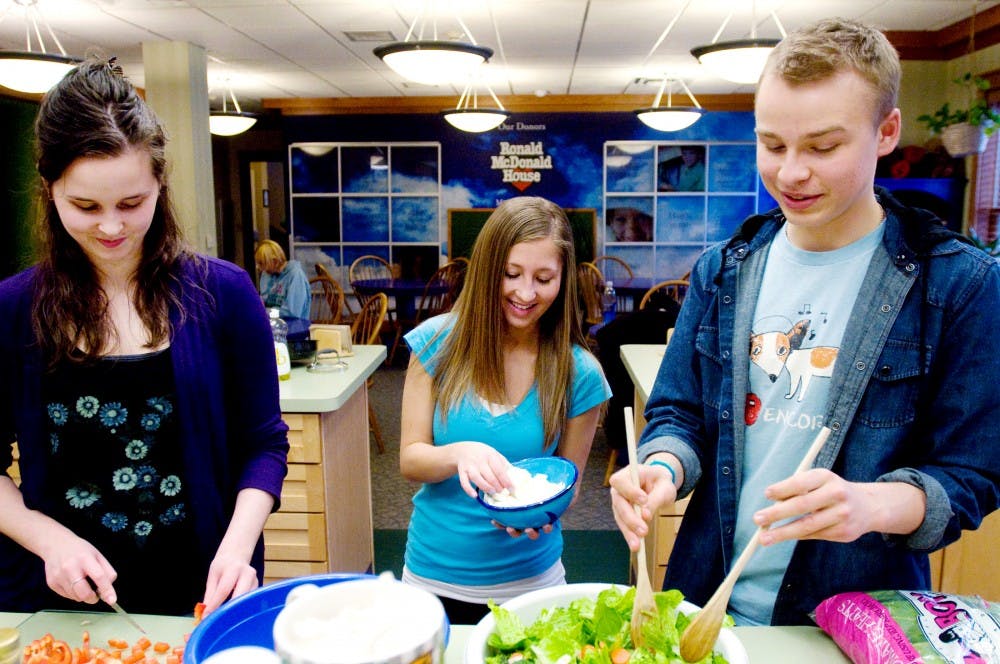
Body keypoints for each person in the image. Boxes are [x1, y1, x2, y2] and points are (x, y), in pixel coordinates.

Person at [609, 18, 1000, 627]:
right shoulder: (724, 269)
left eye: (822, 147)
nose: (791, 173)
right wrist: (661, 468)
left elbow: (972, 475)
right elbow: (679, 414)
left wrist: (872, 505)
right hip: (703, 598)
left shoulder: (959, 284)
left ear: (886, 131)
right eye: (773, 144)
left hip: (852, 616)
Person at [0, 58, 289, 617]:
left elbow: (264, 444)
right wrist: (47, 539)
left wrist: (236, 547)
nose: (111, 227)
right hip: (60, 593)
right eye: (84, 206)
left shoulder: (223, 293)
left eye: (132, 203)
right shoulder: (13, 309)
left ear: (160, 183)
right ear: (49, 189)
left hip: (205, 582)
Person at [399, 196, 611, 624]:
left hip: (533, 586)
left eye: (544, 278)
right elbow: (410, 459)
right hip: (431, 580)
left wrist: (541, 513)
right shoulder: (436, 344)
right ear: (487, 269)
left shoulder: (581, 374)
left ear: (563, 280)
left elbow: (566, 484)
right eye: (511, 274)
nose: (525, 293)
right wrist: (459, 452)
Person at [255, 239, 311, 321]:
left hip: (294, 326)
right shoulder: (266, 274)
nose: (258, 267)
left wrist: (265, 312)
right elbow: (263, 300)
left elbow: (293, 312)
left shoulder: (295, 275)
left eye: (261, 263)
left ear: (274, 261)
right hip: (273, 323)